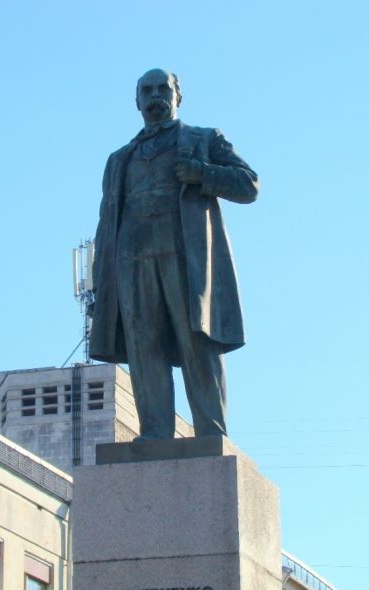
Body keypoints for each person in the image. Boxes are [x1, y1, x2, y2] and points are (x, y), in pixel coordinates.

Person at [89, 68, 259, 440]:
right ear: (136, 101)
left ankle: (211, 432)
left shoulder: (202, 139)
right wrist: (102, 283)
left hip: (185, 256)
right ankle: (155, 433)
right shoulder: (119, 159)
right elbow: (106, 225)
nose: (154, 95)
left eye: (162, 88)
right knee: (142, 344)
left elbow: (249, 184)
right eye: (146, 90)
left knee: (196, 341)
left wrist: (202, 172)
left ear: (177, 95)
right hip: (131, 258)